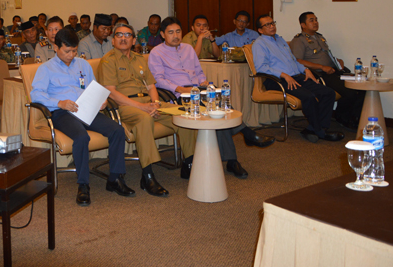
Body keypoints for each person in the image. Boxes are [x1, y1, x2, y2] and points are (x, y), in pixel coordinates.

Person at [149, 17, 275, 179]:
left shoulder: (188, 48)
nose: (175, 36)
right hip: (180, 95)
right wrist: (179, 88)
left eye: (178, 31)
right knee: (217, 110)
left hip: (198, 90)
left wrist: (204, 82)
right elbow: (158, 79)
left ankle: (235, 154)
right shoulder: (156, 53)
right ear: (162, 34)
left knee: (221, 106)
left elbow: (199, 71)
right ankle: (243, 143)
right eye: (171, 32)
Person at [31, 28, 132, 206]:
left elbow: (93, 87)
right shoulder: (45, 68)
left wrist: (102, 100)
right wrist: (59, 102)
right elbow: (36, 95)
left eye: (74, 51)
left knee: (117, 130)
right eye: (67, 51)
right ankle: (83, 185)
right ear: (56, 47)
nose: (71, 55)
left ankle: (115, 179)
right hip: (62, 113)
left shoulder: (83, 65)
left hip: (87, 109)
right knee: (81, 137)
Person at [99, 23, 198, 196]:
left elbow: (151, 85)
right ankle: (148, 176)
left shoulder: (139, 59)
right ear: (113, 40)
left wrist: (156, 103)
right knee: (144, 118)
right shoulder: (107, 60)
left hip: (147, 102)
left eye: (127, 35)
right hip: (124, 106)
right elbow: (111, 93)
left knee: (183, 113)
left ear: (134, 40)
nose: (123, 38)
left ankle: (189, 164)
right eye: (119, 35)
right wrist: (142, 107)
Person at [252, 15, 343, 143]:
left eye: (272, 23)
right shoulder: (259, 44)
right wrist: (284, 75)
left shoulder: (280, 40)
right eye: (267, 25)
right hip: (276, 80)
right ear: (260, 30)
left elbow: (294, 61)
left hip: (295, 76)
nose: (272, 26)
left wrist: (305, 70)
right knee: (308, 97)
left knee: (328, 93)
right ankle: (320, 132)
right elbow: (261, 67)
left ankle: (316, 129)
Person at [290, 12, 364, 129]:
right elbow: (297, 60)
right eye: (311, 20)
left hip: (333, 71)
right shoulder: (299, 40)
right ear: (303, 25)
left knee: (362, 88)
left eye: (316, 20)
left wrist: (337, 61)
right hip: (320, 74)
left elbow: (325, 56)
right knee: (350, 92)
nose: (315, 22)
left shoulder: (320, 37)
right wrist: (321, 67)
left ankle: (354, 118)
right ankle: (343, 118)